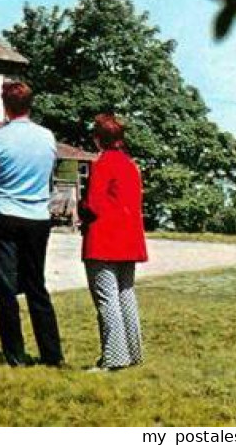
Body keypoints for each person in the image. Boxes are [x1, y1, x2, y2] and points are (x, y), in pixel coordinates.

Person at [0, 80, 63, 367]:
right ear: (30, 104)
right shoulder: (47, 137)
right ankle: (52, 353)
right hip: (37, 217)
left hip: (4, 214)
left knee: (6, 289)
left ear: (5, 105)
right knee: (36, 285)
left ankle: (15, 354)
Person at [80, 113, 147, 372]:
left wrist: (81, 208)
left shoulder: (103, 163)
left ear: (99, 139)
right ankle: (132, 352)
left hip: (104, 240)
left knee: (107, 299)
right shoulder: (131, 165)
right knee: (126, 295)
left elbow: (93, 204)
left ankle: (114, 357)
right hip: (129, 240)